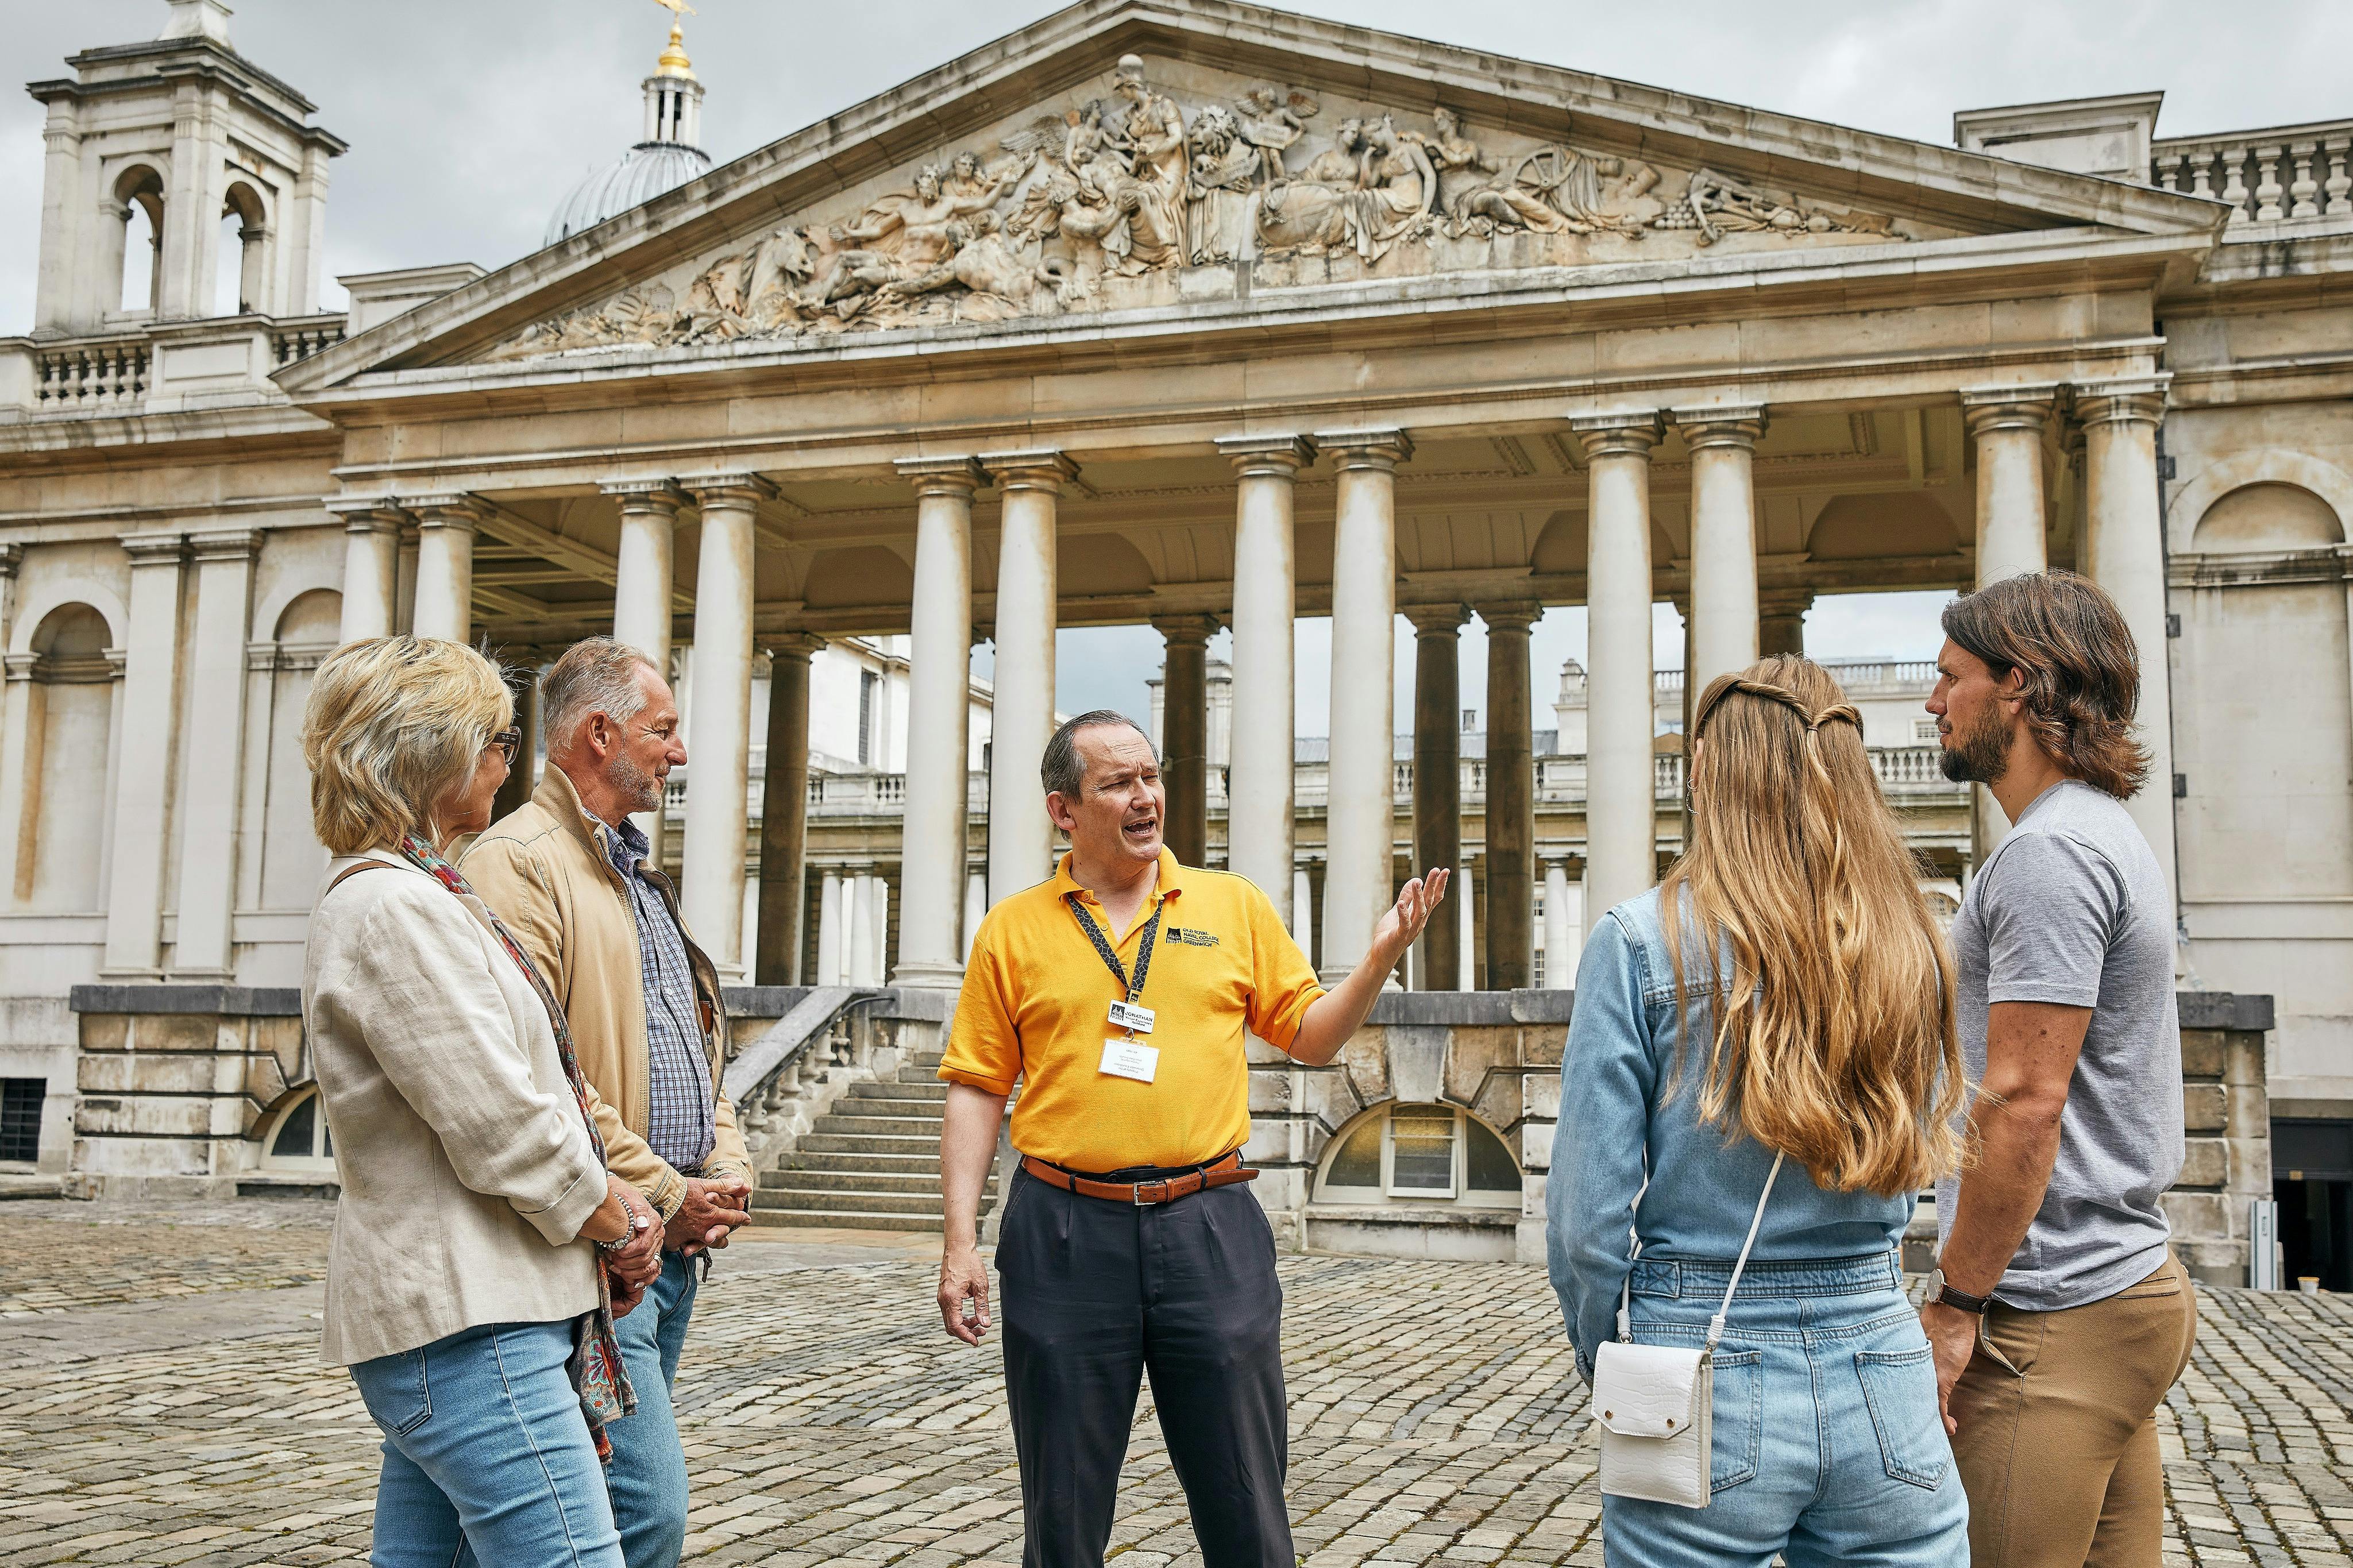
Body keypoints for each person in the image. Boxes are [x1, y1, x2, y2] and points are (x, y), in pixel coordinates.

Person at [936, 709, 1447, 1568]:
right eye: (1118, 783)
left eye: (1152, 776)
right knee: (1061, 1515)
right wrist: (960, 1243)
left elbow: (1312, 1038)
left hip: (1209, 1225)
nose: (1146, 797)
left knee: (1246, 1501)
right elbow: (978, 1090)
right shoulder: (1012, 930)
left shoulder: (1231, 904)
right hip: (1063, 1231)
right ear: (1064, 811)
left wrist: (1379, 959)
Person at [1549, 655, 1972, 1567]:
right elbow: (1926, 1152)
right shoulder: (1912, 939)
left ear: (1706, 771)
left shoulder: (1639, 940)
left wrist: (1608, 1355)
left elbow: (1586, 1222)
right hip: (1881, 1348)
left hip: (1701, 1352)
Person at [299, 635, 664, 1567]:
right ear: (433, 751)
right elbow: (500, 1119)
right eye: (498, 740)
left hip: (471, 1315)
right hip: (470, 1322)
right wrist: (616, 1217)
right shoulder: (395, 907)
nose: (510, 761)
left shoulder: (423, 893)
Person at [1920, 570, 2198, 1567]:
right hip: (2120, 1288)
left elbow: (2026, 1103)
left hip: (2051, 1310)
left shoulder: (2050, 855)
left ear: (2019, 686)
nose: (1933, 702)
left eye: (1950, 676)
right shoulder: (2097, 829)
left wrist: (1957, 1304)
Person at [463, 636, 756, 1568]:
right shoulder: (517, 861)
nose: (680, 751)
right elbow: (544, 1076)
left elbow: (698, 1044)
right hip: (600, 1250)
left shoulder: (633, 869)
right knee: (641, 1513)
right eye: (663, 730)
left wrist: (726, 1165)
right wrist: (668, 1192)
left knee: (564, 1518)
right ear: (600, 734)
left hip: (663, 1253)